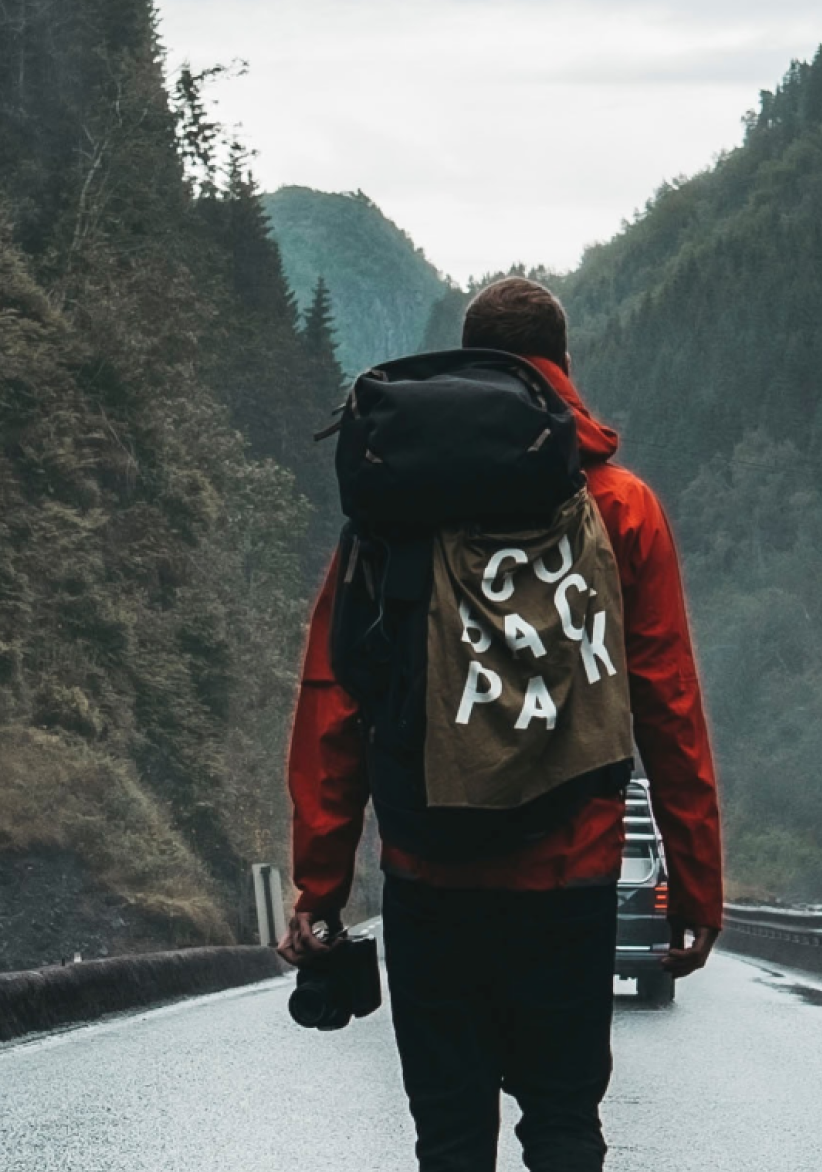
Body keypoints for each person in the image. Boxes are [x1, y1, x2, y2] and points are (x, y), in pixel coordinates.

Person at [279, 277, 723, 1172]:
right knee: (563, 1123)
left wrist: (319, 889)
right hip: (571, 873)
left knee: (449, 1138)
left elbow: (336, 696)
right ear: (563, 368)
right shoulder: (622, 506)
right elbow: (666, 701)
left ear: (473, 358)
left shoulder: (391, 506)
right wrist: (696, 884)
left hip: (426, 869)